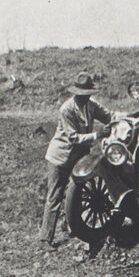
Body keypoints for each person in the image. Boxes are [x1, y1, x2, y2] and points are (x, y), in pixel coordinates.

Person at [39, 71, 115, 245]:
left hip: (79, 158)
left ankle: (71, 227)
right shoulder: (66, 109)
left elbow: (108, 115)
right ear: (75, 94)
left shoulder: (91, 105)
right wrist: (97, 135)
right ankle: (45, 238)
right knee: (55, 196)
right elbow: (73, 137)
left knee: (77, 194)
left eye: (87, 95)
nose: (85, 98)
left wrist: (129, 117)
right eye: (82, 95)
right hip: (61, 157)